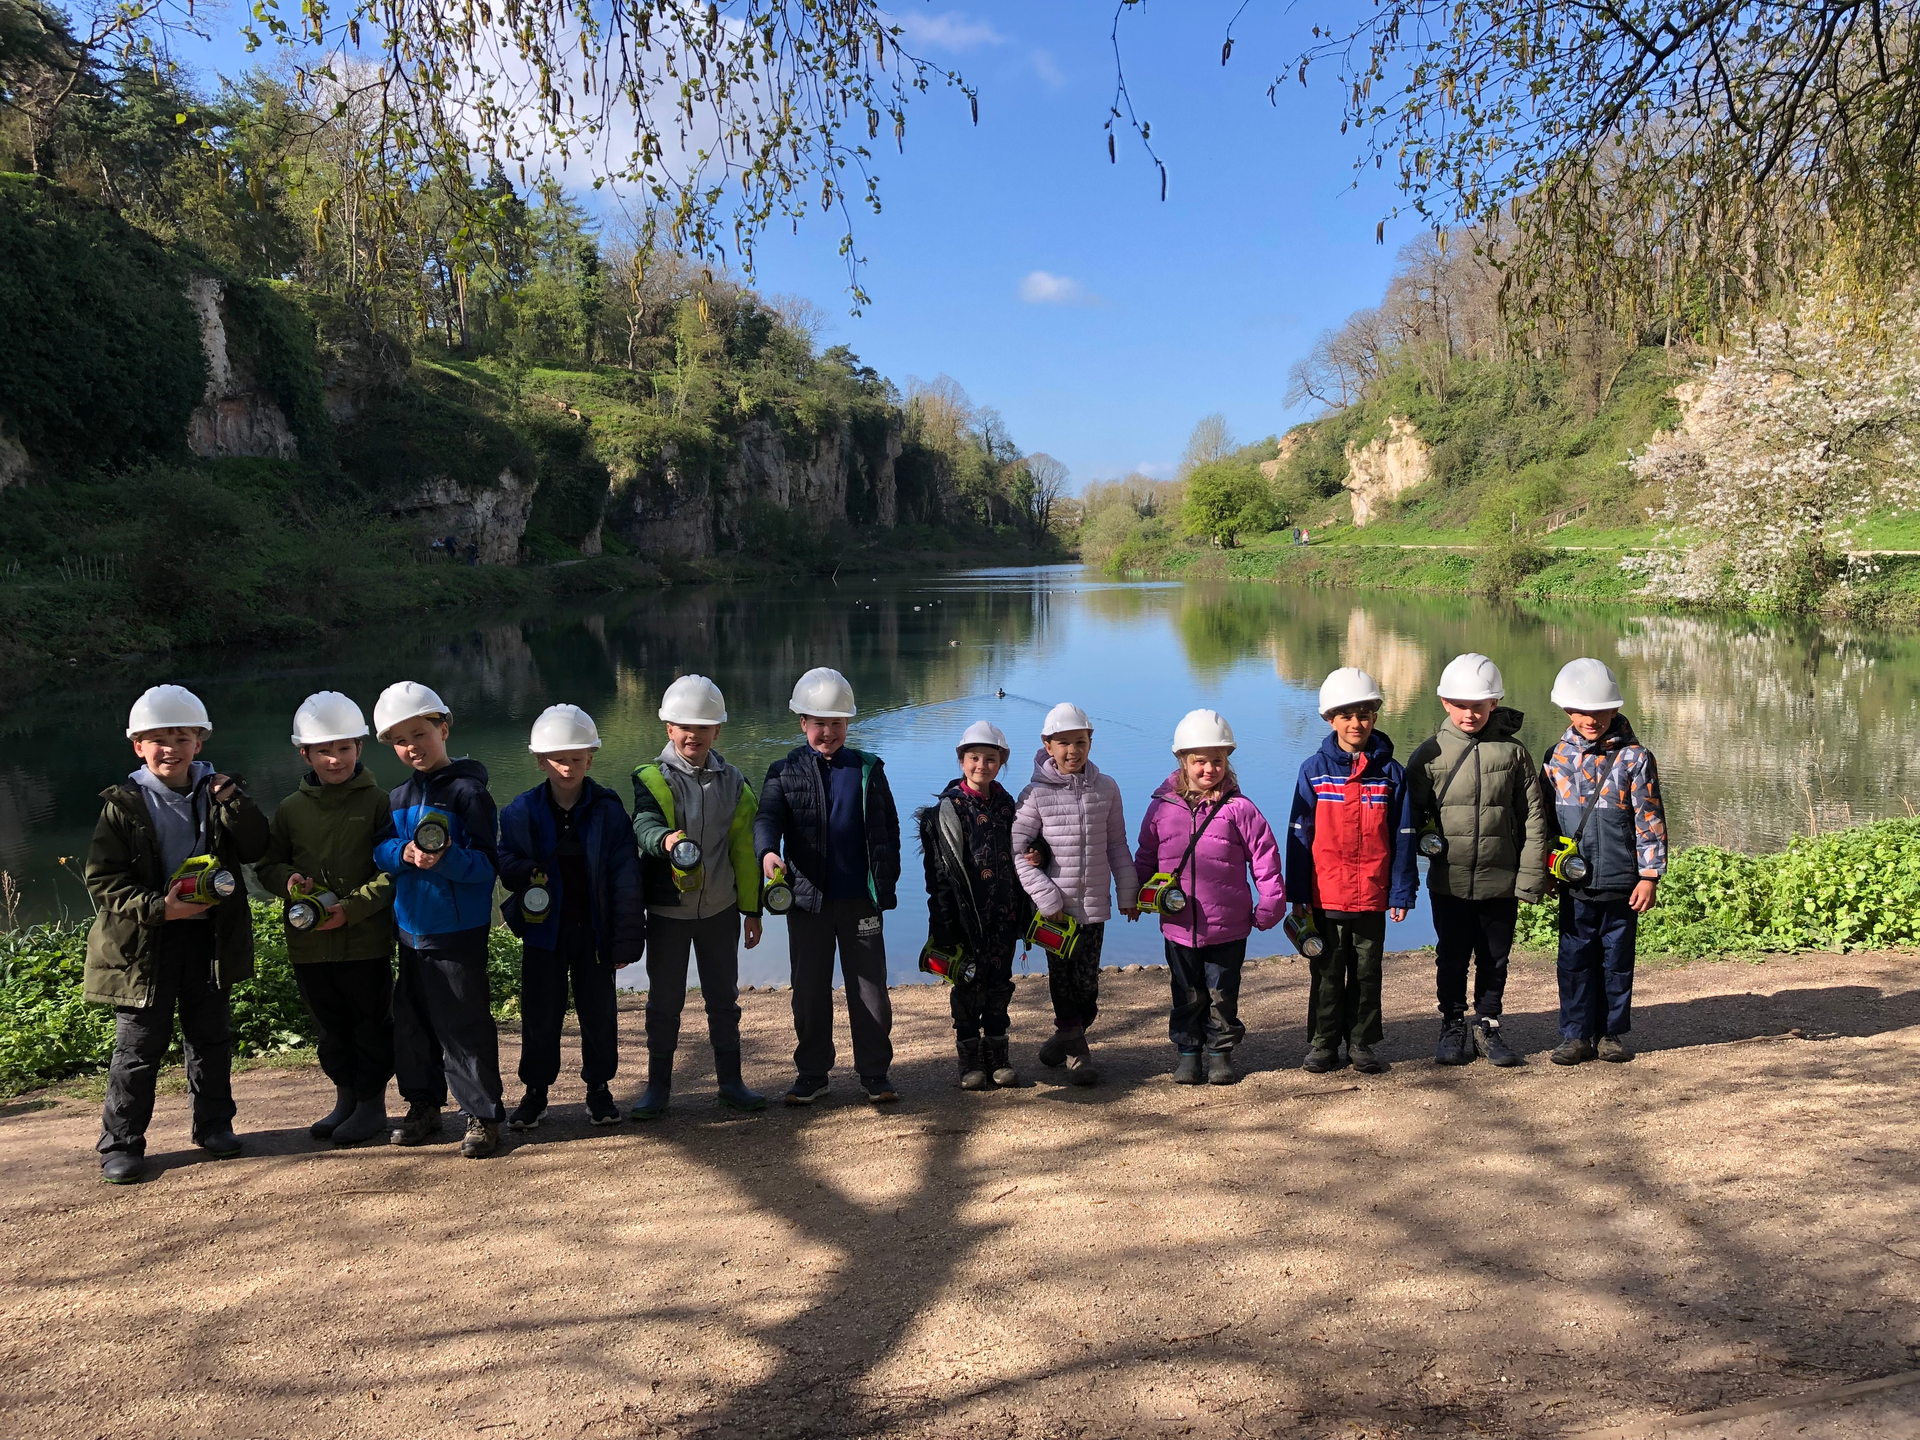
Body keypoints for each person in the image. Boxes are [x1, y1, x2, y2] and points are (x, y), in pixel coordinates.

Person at [84, 685, 270, 1184]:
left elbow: (255, 847)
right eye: (157, 738)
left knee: (210, 1037)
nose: (171, 748)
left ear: (199, 742)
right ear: (138, 746)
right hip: (146, 943)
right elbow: (103, 880)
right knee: (139, 1048)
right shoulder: (123, 804)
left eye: (182, 736)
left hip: (207, 941)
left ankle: (214, 1126)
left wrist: (235, 803)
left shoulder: (219, 793)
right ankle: (121, 1144)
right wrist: (158, 908)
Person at [372, 681, 508, 1158]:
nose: (412, 746)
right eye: (400, 740)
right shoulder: (396, 798)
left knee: (463, 1027)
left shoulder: (469, 793)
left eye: (420, 733)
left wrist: (445, 858)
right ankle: (424, 1106)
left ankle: (482, 1116)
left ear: (443, 728)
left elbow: (487, 866)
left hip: (457, 934)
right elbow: (381, 850)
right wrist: (403, 853)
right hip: (410, 933)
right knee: (411, 1026)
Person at [754, 667, 902, 1106]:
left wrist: (886, 887)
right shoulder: (783, 771)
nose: (828, 731)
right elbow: (766, 819)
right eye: (819, 723)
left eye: (837, 722)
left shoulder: (868, 769)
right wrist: (767, 852)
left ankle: (875, 1073)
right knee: (809, 990)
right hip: (807, 901)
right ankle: (813, 1073)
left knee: (870, 989)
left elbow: (887, 829)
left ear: (848, 725)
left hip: (860, 900)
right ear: (803, 723)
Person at [256, 692, 397, 1147]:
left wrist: (351, 910)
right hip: (310, 942)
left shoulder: (379, 803)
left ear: (360, 747)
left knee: (369, 1024)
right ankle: (345, 1099)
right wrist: (287, 880)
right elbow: (267, 864)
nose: (334, 759)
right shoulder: (290, 809)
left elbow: (391, 872)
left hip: (365, 941)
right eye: (323, 750)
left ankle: (372, 1106)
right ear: (305, 753)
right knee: (330, 1026)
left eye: (344, 748)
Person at [498, 704, 645, 1129]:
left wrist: (627, 938)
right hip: (545, 933)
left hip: (594, 931)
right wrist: (524, 871)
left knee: (598, 1014)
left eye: (577, 758)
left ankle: (599, 1090)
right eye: (558, 759)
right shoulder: (520, 811)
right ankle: (535, 1093)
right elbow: (503, 860)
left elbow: (626, 877)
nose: (568, 767)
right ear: (541, 761)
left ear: (590, 759)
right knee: (540, 1014)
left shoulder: (609, 810)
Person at [1407, 653, 1553, 1068]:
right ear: (1444, 703)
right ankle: (1452, 1023)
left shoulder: (1514, 753)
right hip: (1448, 880)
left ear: (1494, 704)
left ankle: (1487, 1023)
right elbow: (1410, 817)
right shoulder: (1428, 755)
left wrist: (1530, 878)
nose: (1469, 713)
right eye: (1460, 704)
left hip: (1500, 877)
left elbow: (1534, 820)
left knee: (1495, 956)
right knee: (1451, 954)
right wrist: (1424, 841)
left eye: (1479, 705)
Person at [630, 675, 766, 1117]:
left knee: (724, 1001)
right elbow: (643, 826)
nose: (693, 734)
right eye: (684, 726)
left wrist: (752, 909)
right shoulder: (651, 778)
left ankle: (731, 1083)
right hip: (668, 911)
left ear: (717, 731)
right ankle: (658, 1089)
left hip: (721, 909)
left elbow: (744, 848)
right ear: (668, 728)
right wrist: (665, 840)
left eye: (703, 726)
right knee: (664, 1003)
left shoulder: (734, 782)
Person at [1134, 710, 1285, 1086]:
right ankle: (1188, 1053)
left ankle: (1220, 1052)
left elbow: (1265, 858)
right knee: (1186, 992)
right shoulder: (1161, 808)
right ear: (1182, 761)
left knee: (1221, 994)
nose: (1209, 769)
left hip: (1229, 925)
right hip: (1178, 925)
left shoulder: (1240, 809)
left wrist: (1271, 903)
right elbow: (1145, 856)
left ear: (1227, 761)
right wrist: (1135, 896)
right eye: (1200, 761)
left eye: (1217, 761)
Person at [1285, 669, 1418, 1076]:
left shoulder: (1391, 773)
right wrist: (1298, 893)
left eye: (1364, 715)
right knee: (1325, 969)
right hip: (1325, 894)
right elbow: (1298, 835)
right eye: (1346, 716)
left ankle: (1361, 1042)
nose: (1356, 724)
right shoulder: (1314, 771)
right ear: (1330, 719)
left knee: (1367, 971)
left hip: (1373, 894)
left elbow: (1404, 837)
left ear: (1375, 716)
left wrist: (1401, 892)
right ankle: (1323, 1043)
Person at [1541, 658, 1667, 1065]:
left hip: (1621, 880)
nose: (1590, 718)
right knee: (1574, 960)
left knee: (1617, 960)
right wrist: (1545, 870)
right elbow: (1543, 820)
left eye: (1599, 711)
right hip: (1574, 881)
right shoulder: (1555, 756)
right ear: (1566, 710)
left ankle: (1611, 1033)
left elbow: (1650, 820)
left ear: (1614, 709)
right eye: (1581, 710)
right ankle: (1575, 1035)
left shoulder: (1635, 758)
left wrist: (1649, 876)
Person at [1011, 702, 1139, 1086]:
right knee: (1062, 982)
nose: (1072, 751)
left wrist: (1128, 892)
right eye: (1063, 743)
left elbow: (1117, 844)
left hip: (1094, 908)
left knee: (1088, 990)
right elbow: (1016, 853)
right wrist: (1046, 899)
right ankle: (1078, 1056)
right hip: (1054, 912)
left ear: (1090, 742)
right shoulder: (1033, 794)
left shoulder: (1107, 788)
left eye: (1079, 742)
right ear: (1047, 745)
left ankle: (1062, 1040)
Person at [917, 720, 1030, 1090]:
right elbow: (938, 876)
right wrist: (944, 923)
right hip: (966, 919)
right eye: (974, 757)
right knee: (966, 985)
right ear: (962, 761)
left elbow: (1027, 848)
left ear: (1002, 762)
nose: (982, 764)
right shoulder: (946, 811)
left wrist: (1038, 852)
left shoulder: (1009, 805)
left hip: (1005, 912)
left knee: (999, 984)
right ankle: (969, 1061)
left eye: (991, 758)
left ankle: (998, 1055)